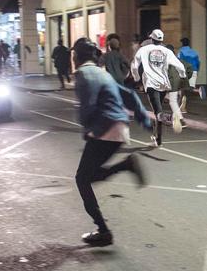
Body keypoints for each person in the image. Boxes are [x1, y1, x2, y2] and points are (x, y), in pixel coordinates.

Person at [72, 37, 151, 245]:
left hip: (105, 129)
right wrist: (143, 118)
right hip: (120, 128)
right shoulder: (102, 73)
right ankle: (126, 165)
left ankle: (103, 231)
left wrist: (87, 127)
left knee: (82, 179)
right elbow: (129, 95)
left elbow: (87, 106)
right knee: (90, 175)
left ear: (76, 57)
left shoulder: (82, 74)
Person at [131, 29, 187, 147]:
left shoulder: (143, 50)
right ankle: (158, 139)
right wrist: (182, 76)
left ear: (151, 39)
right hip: (163, 84)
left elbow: (134, 65)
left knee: (158, 112)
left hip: (151, 84)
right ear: (161, 40)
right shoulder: (167, 51)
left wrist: (136, 78)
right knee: (158, 111)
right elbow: (180, 66)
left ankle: (170, 117)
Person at [167, 44, 193, 127]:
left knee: (172, 101)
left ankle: (181, 120)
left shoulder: (167, 62)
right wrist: (186, 78)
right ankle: (173, 118)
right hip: (182, 83)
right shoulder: (179, 60)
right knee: (176, 100)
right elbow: (189, 67)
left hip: (174, 83)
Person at [177, 37, 204, 113]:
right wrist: (196, 70)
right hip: (194, 70)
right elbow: (198, 62)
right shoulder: (194, 52)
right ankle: (197, 91)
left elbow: (178, 62)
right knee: (188, 89)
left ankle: (181, 108)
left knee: (183, 90)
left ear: (182, 44)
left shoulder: (180, 52)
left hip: (185, 72)